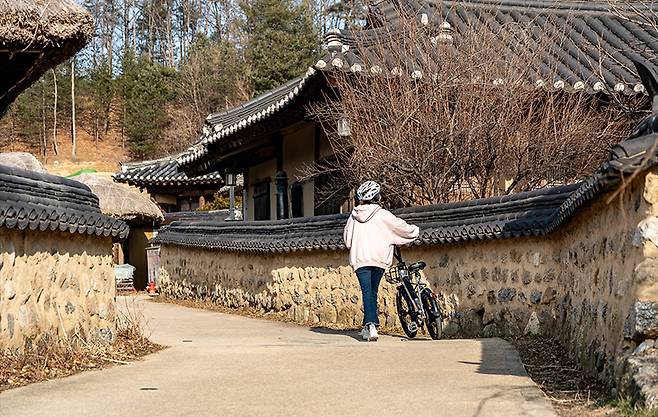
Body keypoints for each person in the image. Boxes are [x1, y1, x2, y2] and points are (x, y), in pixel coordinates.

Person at [343, 180, 420, 341]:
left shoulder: (354, 216)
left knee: (367, 292)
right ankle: (370, 325)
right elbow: (402, 228)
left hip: (360, 259)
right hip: (379, 258)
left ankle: (370, 326)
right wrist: (416, 230)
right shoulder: (383, 215)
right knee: (373, 291)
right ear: (377, 196)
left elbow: (347, 240)